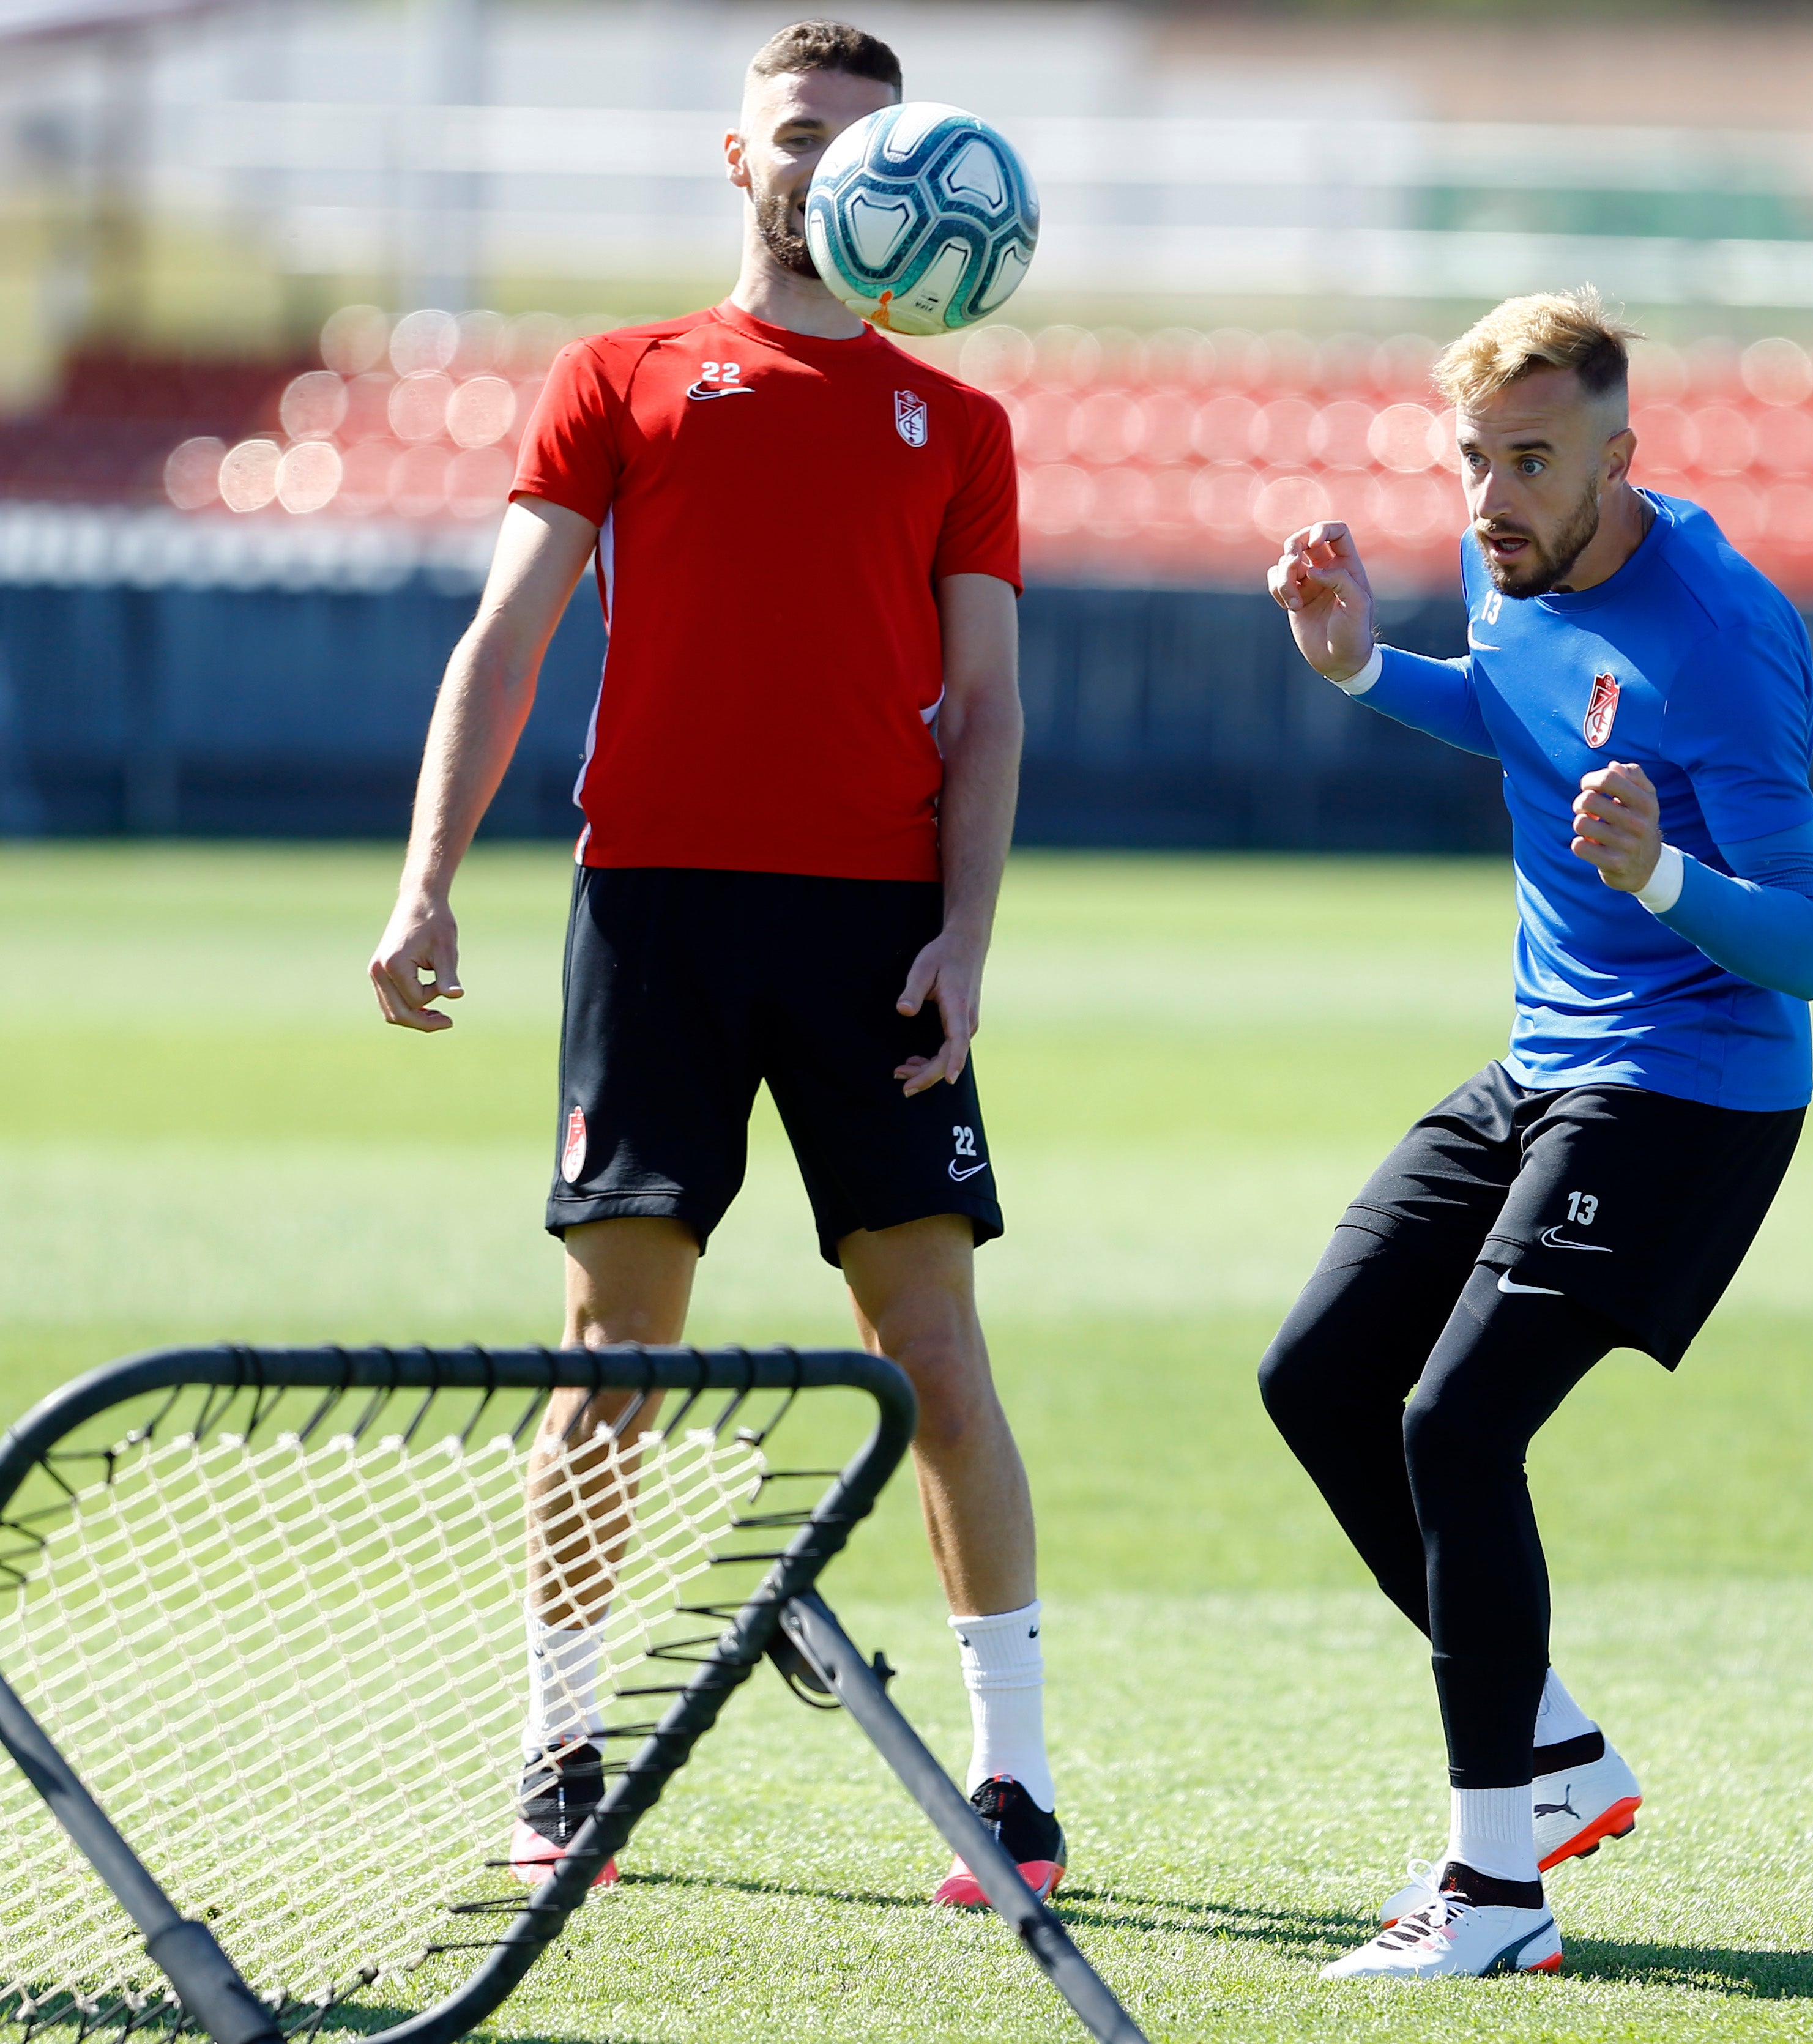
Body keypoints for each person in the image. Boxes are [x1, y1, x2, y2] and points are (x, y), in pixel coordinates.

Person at [368, 18, 1062, 1911]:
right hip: (655, 911)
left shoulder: (962, 427)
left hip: (873, 934)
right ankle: (565, 1743)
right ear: (736, 157)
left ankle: (1017, 1780)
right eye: (795, 134)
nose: (823, 163)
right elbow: (506, 641)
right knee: (615, 1360)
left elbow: (989, 714)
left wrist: (966, 942)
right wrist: (428, 883)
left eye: (859, 139)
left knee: (928, 1352)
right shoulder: (619, 376)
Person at [1261, 288, 1813, 1981]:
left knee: (1455, 1427)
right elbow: (1518, 706)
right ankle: (1564, 1755)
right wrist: (1366, 668)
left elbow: (1812, 945)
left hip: (1695, 1088)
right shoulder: (1506, 564)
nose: (1493, 498)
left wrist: (1661, 870)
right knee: (1317, 1377)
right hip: (1543, 1064)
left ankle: (1496, 1894)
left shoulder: (1723, 635)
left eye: (1532, 461)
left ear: (1621, 456)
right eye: (1474, 460)